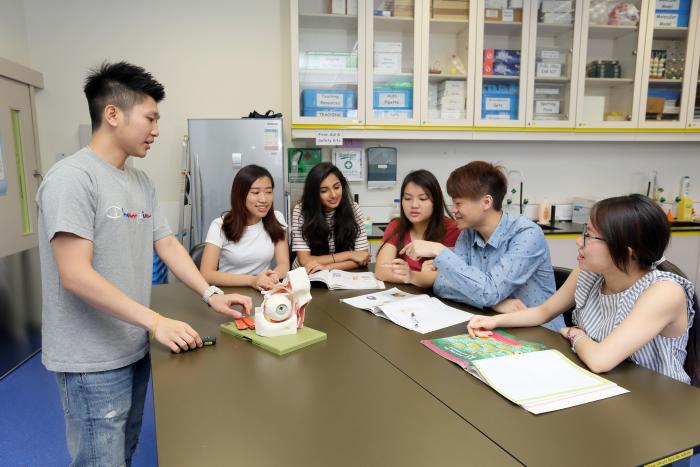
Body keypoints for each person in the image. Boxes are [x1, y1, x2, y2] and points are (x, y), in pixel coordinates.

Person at [36, 61, 253, 466]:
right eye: (150, 118)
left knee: (124, 452)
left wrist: (211, 294)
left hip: (131, 344)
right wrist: (156, 322)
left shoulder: (139, 182)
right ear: (113, 114)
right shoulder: (72, 179)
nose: (156, 130)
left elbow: (167, 244)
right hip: (89, 359)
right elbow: (75, 274)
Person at [468, 194, 699, 387]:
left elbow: (600, 360)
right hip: (605, 386)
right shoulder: (591, 273)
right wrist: (495, 322)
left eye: (589, 235)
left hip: (660, 404)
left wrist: (574, 334)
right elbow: (543, 312)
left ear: (627, 250)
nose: (580, 242)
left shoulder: (664, 292)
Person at [400, 161, 563, 331]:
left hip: (542, 334)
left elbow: (489, 292)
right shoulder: (468, 233)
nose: (453, 209)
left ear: (486, 202)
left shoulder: (527, 234)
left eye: (458, 203)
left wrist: (439, 250)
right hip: (495, 326)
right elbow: (442, 285)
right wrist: (495, 304)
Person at [200, 164, 289, 291]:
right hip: (228, 293)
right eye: (255, 192)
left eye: (269, 192)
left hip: (262, 291)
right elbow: (206, 273)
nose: (264, 199)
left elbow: (283, 264)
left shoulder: (277, 218)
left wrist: (274, 276)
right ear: (240, 195)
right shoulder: (220, 225)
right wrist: (251, 280)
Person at [375, 170, 459, 288]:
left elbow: (451, 275)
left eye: (423, 199)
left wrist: (411, 275)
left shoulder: (451, 229)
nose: (414, 205)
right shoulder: (396, 226)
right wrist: (420, 276)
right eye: (408, 198)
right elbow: (381, 271)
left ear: (436, 201)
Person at [291, 162, 369, 272]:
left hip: (339, 274)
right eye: (324, 191)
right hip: (308, 274)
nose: (333, 195)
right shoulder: (301, 211)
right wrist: (349, 255)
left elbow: (363, 257)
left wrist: (326, 267)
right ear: (314, 193)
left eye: (336, 187)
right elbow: (305, 261)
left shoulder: (353, 209)